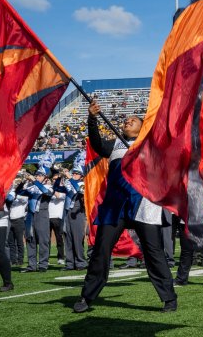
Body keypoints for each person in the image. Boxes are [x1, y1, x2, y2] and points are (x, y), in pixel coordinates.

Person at [72, 101, 177, 313]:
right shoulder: (114, 145)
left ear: (143, 125)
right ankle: (87, 296)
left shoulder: (151, 142)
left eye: (133, 120)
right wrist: (92, 119)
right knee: (101, 251)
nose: (127, 121)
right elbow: (96, 144)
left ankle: (169, 298)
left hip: (144, 204)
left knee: (154, 252)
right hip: (115, 205)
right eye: (125, 120)